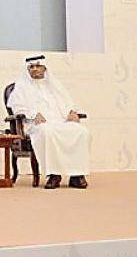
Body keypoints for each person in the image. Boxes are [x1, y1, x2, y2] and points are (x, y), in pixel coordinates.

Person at [7, 55, 90, 189]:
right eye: (31, 67)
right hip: (37, 124)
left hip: (60, 121)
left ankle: (77, 175)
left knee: (81, 131)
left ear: (45, 68)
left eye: (38, 66)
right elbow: (17, 107)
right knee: (47, 131)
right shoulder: (21, 88)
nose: (34, 69)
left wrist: (71, 112)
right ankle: (53, 175)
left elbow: (68, 102)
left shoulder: (55, 85)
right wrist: (33, 114)